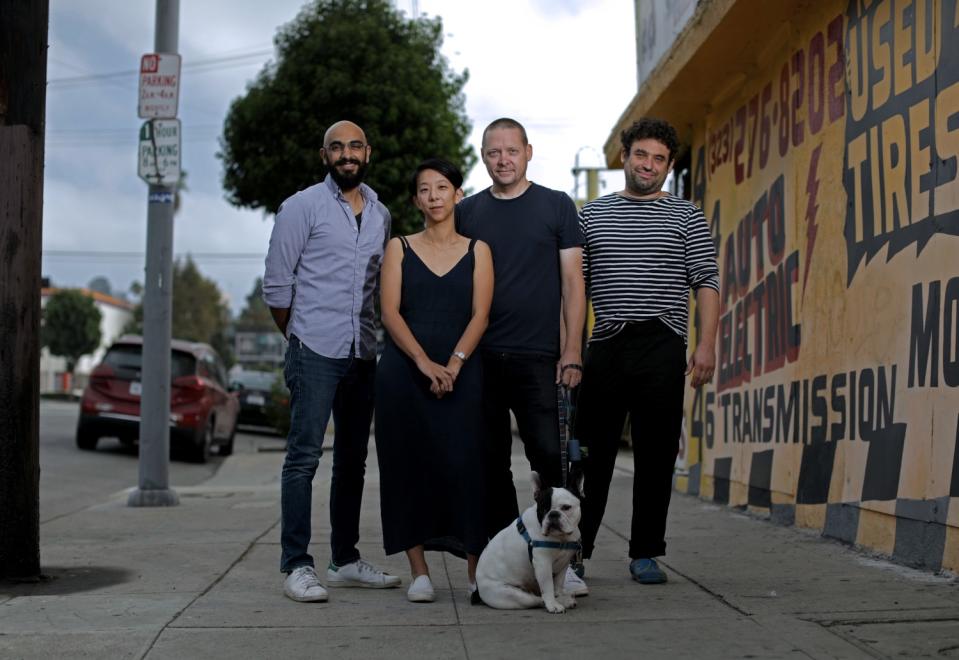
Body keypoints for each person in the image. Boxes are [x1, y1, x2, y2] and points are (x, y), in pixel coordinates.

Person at [575, 117, 720, 584]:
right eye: (641, 155)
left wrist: (707, 346)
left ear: (669, 165)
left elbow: (707, 282)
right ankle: (577, 550)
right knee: (592, 456)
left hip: (663, 344)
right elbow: (573, 293)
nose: (649, 165)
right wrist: (569, 352)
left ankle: (645, 552)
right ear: (625, 156)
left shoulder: (686, 215)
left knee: (656, 455)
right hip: (607, 345)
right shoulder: (590, 216)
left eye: (659, 158)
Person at [263, 120, 401, 603]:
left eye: (355, 146)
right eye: (337, 147)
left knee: (353, 461)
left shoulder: (381, 214)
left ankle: (344, 559)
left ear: (368, 152)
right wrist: (299, 336)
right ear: (324, 156)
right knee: (303, 459)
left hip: (363, 351)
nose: (347, 154)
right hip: (315, 349)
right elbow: (278, 285)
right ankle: (296, 564)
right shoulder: (302, 207)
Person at [455, 118, 588, 597]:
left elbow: (574, 283)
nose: (503, 159)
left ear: (528, 152)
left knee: (551, 462)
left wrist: (572, 349)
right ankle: (506, 562)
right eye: (494, 152)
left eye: (512, 150)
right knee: (491, 466)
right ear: (484, 157)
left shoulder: (556, 205)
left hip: (541, 358)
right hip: (482, 360)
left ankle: (566, 564)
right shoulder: (466, 212)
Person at [375, 158, 494, 603]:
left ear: (458, 194)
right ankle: (419, 573)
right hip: (405, 374)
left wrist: (456, 364)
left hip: (464, 372)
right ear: (415, 201)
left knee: (468, 466)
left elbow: (481, 313)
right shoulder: (398, 248)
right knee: (407, 467)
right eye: (424, 190)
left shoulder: (477, 249)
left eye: (442, 188)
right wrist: (425, 363)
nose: (434, 197)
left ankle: (475, 572)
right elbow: (390, 312)